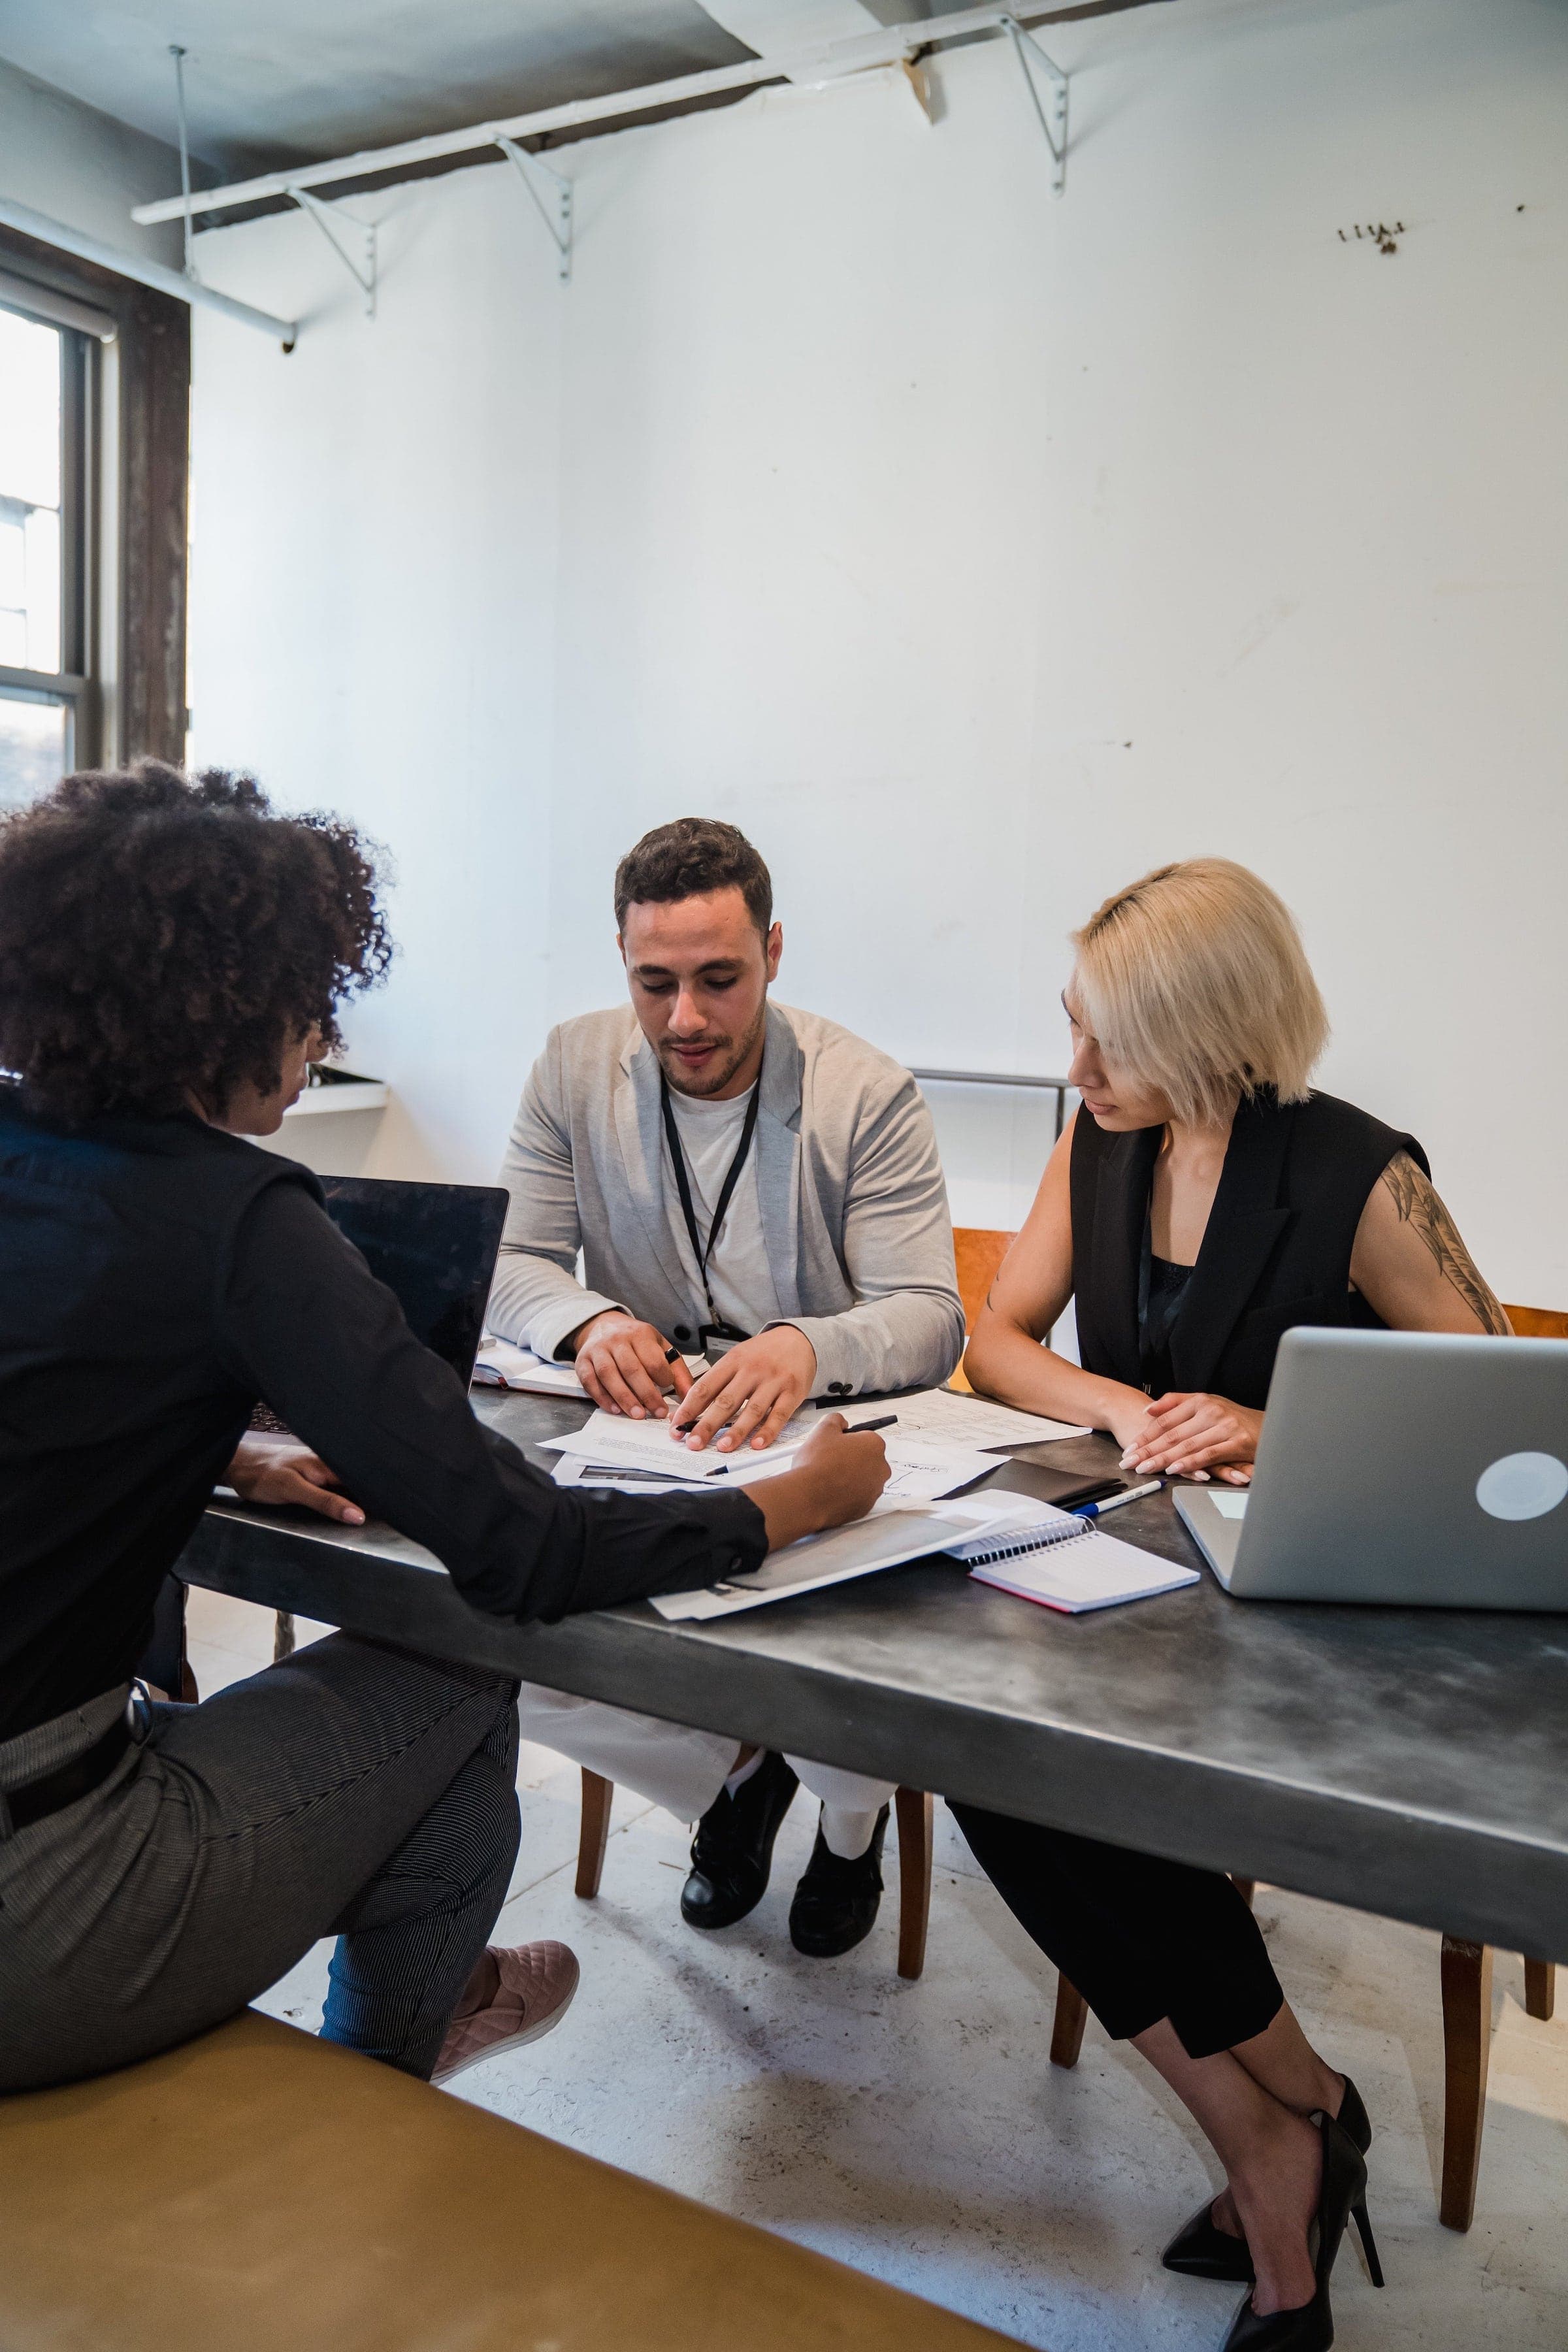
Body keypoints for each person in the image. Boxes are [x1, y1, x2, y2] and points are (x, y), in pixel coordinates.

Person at [0, 764, 887, 2098]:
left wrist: (223, 1452)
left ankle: (442, 2005)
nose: (319, 1043)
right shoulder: (245, 1219)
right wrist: (792, 1504)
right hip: (46, 1895)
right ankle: (389, 2067)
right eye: (309, 1006)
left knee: (440, 1745)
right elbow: (520, 1549)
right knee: (456, 1657)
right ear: (226, 1008)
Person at [958, 858, 1511, 2350]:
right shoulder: (1106, 1134)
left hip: (1299, 1623)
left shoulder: (1359, 1173)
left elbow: (1497, 1419)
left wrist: (1269, 1426)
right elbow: (998, 1337)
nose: (1076, 1072)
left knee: (1085, 1798)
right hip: (1134, 1579)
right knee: (990, 1769)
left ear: (1214, 1030)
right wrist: (1128, 1407)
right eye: (1074, 1030)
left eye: (1107, 1041)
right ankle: (1293, 2113)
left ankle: (1281, 2158)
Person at [485, 817, 966, 1957]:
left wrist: (805, 1346)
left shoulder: (868, 1093)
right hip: (660, 1439)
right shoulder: (570, 1063)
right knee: (517, 1653)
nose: (686, 1019)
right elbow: (510, 1260)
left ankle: (851, 1832)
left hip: (825, 1440)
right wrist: (586, 1318)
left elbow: (933, 1316)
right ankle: (736, 1773)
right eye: (655, 984)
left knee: (842, 1652)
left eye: (719, 980)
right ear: (621, 959)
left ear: (775, 952)